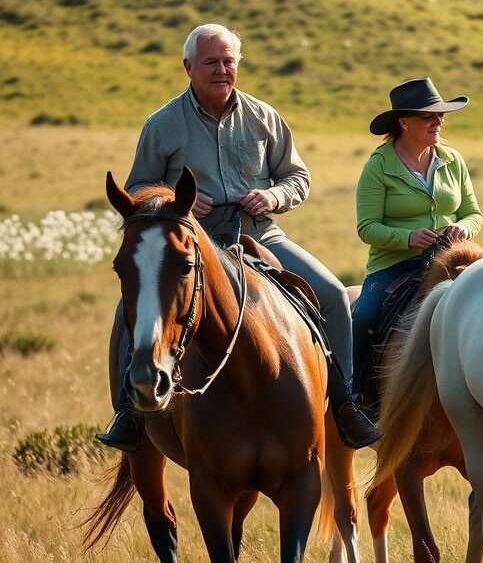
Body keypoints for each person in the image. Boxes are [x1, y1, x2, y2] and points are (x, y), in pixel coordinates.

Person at [96, 23, 381, 451]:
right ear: (188, 66)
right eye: (211, 62)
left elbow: (297, 176)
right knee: (129, 310)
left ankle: (344, 404)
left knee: (335, 295)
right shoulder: (163, 124)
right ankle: (130, 413)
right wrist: (178, 203)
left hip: (261, 234)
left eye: (229, 61)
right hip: (191, 240)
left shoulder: (265, 117)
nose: (222, 70)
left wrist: (272, 195)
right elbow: (139, 187)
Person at [353, 78, 483, 398]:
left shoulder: (453, 159)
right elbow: (367, 227)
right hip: (395, 264)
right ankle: (354, 395)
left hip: (452, 257)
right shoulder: (378, 165)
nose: (439, 121)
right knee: (364, 316)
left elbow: (474, 214)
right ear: (404, 122)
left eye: (441, 115)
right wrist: (408, 237)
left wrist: (463, 228)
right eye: (429, 116)